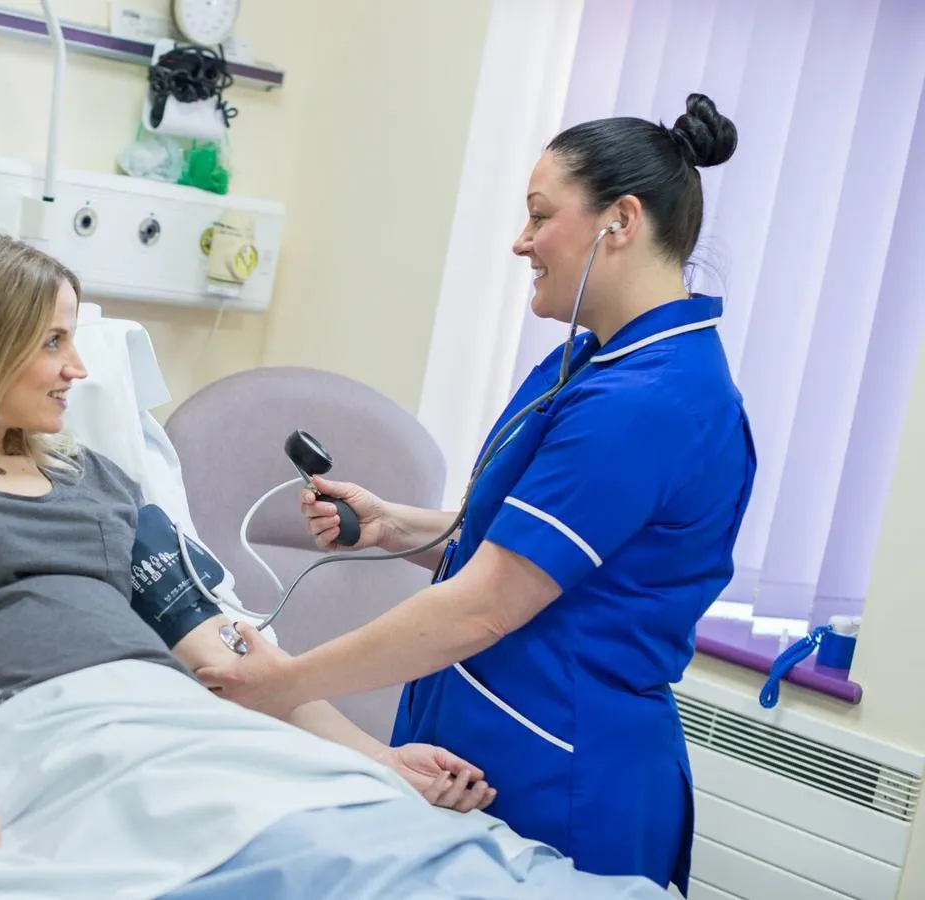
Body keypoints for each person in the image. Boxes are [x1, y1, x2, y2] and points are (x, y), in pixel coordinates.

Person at [195, 93, 756, 893]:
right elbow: (535, 546)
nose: (521, 242)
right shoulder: (598, 363)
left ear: (620, 221)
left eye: (539, 216)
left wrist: (288, 685)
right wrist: (398, 529)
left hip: (565, 772)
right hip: (488, 740)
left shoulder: (651, 401)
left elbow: (488, 602)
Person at [0, 226, 495, 851]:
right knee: (292, 853)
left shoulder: (97, 480)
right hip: (30, 732)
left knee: (379, 832)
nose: (79, 370)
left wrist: (378, 758)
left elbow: (225, 648)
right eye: (53, 342)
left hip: (168, 717)